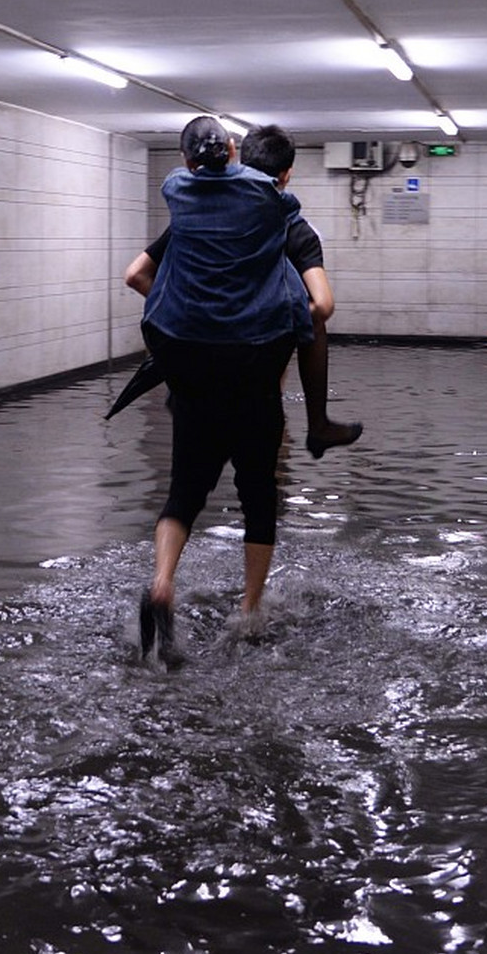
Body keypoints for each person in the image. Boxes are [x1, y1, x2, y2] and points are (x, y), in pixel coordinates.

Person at [124, 116, 307, 666]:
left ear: (185, 161)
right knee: (258, 493)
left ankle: (161, 582)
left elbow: (136, 274)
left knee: (183, 491)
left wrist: (181, 303)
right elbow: (284, 208)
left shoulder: (178, 200)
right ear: (233, 150)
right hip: (251, 371)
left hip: (193, 367)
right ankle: (250, 609)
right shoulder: (270, 205)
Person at [125, 124, 363, 458]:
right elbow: (323, 305)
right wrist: (274, 319)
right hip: (258, 352)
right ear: (287, 174)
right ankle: (316, 424)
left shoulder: (200, 218)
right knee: (262, 463)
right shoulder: (295, 228)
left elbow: (135, 275)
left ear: (240, 161)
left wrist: (186, 309)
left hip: (196, 351)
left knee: (193, 477)